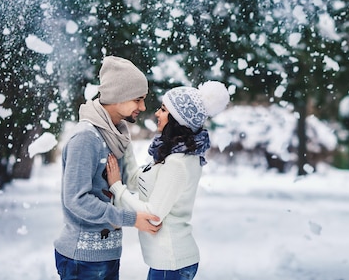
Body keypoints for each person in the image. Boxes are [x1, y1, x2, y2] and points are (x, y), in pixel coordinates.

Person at [106, 81, 230, 280]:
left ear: (177, 119)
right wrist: (125, 144)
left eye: (163, 110)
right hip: (168, 262)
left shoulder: (178, 163)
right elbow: (137, 182)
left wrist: (116, 188)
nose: (156, 113)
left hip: (172, 262)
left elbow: (153, 214)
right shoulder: (172, 154)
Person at [54, 56, 162, 280]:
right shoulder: (86, 137)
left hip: (107, 254)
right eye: (138, 99)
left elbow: (129, 181)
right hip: (82, 258)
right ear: (119, 96)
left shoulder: (117, 135)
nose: (142, 107)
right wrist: (130, 218)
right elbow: (76, 199)